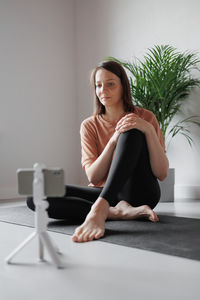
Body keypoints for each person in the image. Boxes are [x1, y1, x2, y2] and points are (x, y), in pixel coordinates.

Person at [27, 60, 169, 243]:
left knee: (131, 129)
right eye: (98, 85)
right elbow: (93, 178)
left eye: (110, 84)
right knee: (36, 196)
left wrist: (147, 129)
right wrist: (113, 140)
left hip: (139, 193)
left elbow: (162, 173)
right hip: (105, 192)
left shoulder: (146, 117)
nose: (103, 90)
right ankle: (116, 212)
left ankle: (100, 209)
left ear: (122, 87)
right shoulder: (89, 125)